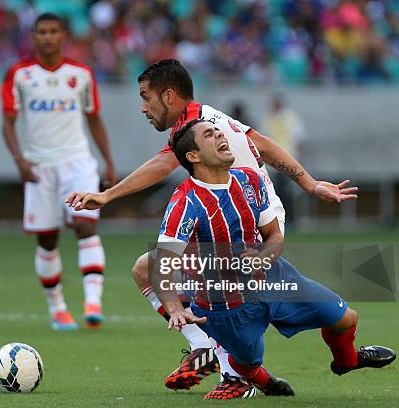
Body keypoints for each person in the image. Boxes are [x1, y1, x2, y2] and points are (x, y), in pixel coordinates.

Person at [66, 59, 358, 398]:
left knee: (181, 279)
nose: (144, 108)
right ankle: (219, 354)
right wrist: (309, 184)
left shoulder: (195, 129)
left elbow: (163, 163)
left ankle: (230, 368)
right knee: (152, 269)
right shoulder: (210, 117)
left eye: (146, 97)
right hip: (256, 216)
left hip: (244, 219)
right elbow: (261, 142)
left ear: (170, 96)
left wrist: (108, 195)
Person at [156, 119, 395, 396]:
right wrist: (174, 309)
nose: (221, 136)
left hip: (273, 278)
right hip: (226, 307)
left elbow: (274, 235)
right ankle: (262, 380)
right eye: (210, 134)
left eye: (219, 131)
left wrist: (262, 258)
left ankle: (348, 361)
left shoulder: (249, 179)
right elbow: (163, 264)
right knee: (246, 362)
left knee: (346, 318)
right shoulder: (186, 202)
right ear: (193, 156)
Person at [1, 13, 116, 331]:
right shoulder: (19, 74)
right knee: (48, 239)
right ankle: (58, 310)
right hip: (39, 165)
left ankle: (93, 304)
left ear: (64, 35)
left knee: (84, 224)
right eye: (42, 32)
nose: (48, 37)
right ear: (34, 37)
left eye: (54, 31)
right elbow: (8, 122)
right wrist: (20, 161)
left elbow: (94, 119)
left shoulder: (81, 74)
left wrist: (108, 161)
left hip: (78, 160)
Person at [260, 94, 305, 222]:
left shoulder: (290, 118)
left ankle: (290, 219)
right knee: (277, 191)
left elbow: (298, 139)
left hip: (287, 159)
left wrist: (297, 160)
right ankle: (281, 218)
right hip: (274, 161)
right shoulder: (269, 118)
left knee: (287, 192)